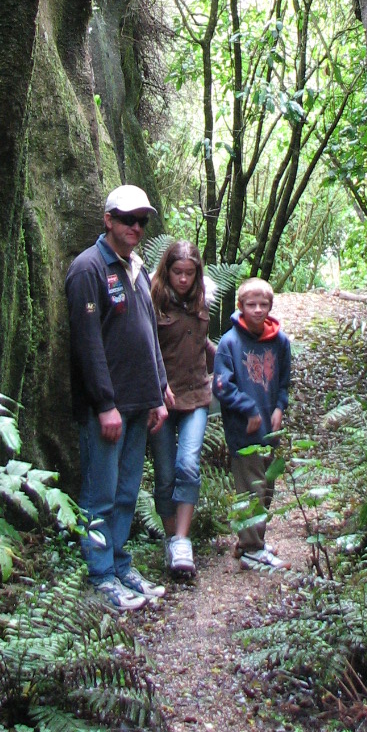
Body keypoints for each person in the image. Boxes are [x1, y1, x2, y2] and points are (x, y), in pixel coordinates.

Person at [65, 184, 173, 611]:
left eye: (142, 220)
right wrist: (104, 404)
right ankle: (100, 575)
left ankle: (119, 562)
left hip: (138, 402)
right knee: (100, 494)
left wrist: (160, 389)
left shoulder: (137, 268)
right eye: (128, 219)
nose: (136, 227)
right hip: (105, 409)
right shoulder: (88, 269)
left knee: (127, 491)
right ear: (108, 219)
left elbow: (147, 334)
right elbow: (87, 344)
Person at [212, 277, 292, 572]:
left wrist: (279, 408)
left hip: (270, 427)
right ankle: (250, 548)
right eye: (251, 304)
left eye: (263, 304)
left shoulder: (280, 341)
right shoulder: (229, 342)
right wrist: (249, 410)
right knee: (250, 486)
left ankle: (252, 540)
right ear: (241, 307)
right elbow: (221, 386)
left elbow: (284, 381)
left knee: (267, 485)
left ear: (270, 306)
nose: (258, 310)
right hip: (243, 429)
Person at [149, 240, 216, 580]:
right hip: (161, 399)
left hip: (196, 396)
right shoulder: (152, 299)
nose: (184, 279)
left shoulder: (202, 299)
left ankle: (182, 541)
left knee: (187, 464)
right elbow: (146, 348)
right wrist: (156, 389)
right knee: (165, 474)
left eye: (190, 273)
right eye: (178, 272)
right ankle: (171, 536)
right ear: (167, 270)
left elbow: (199, 341)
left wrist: (229, 362)